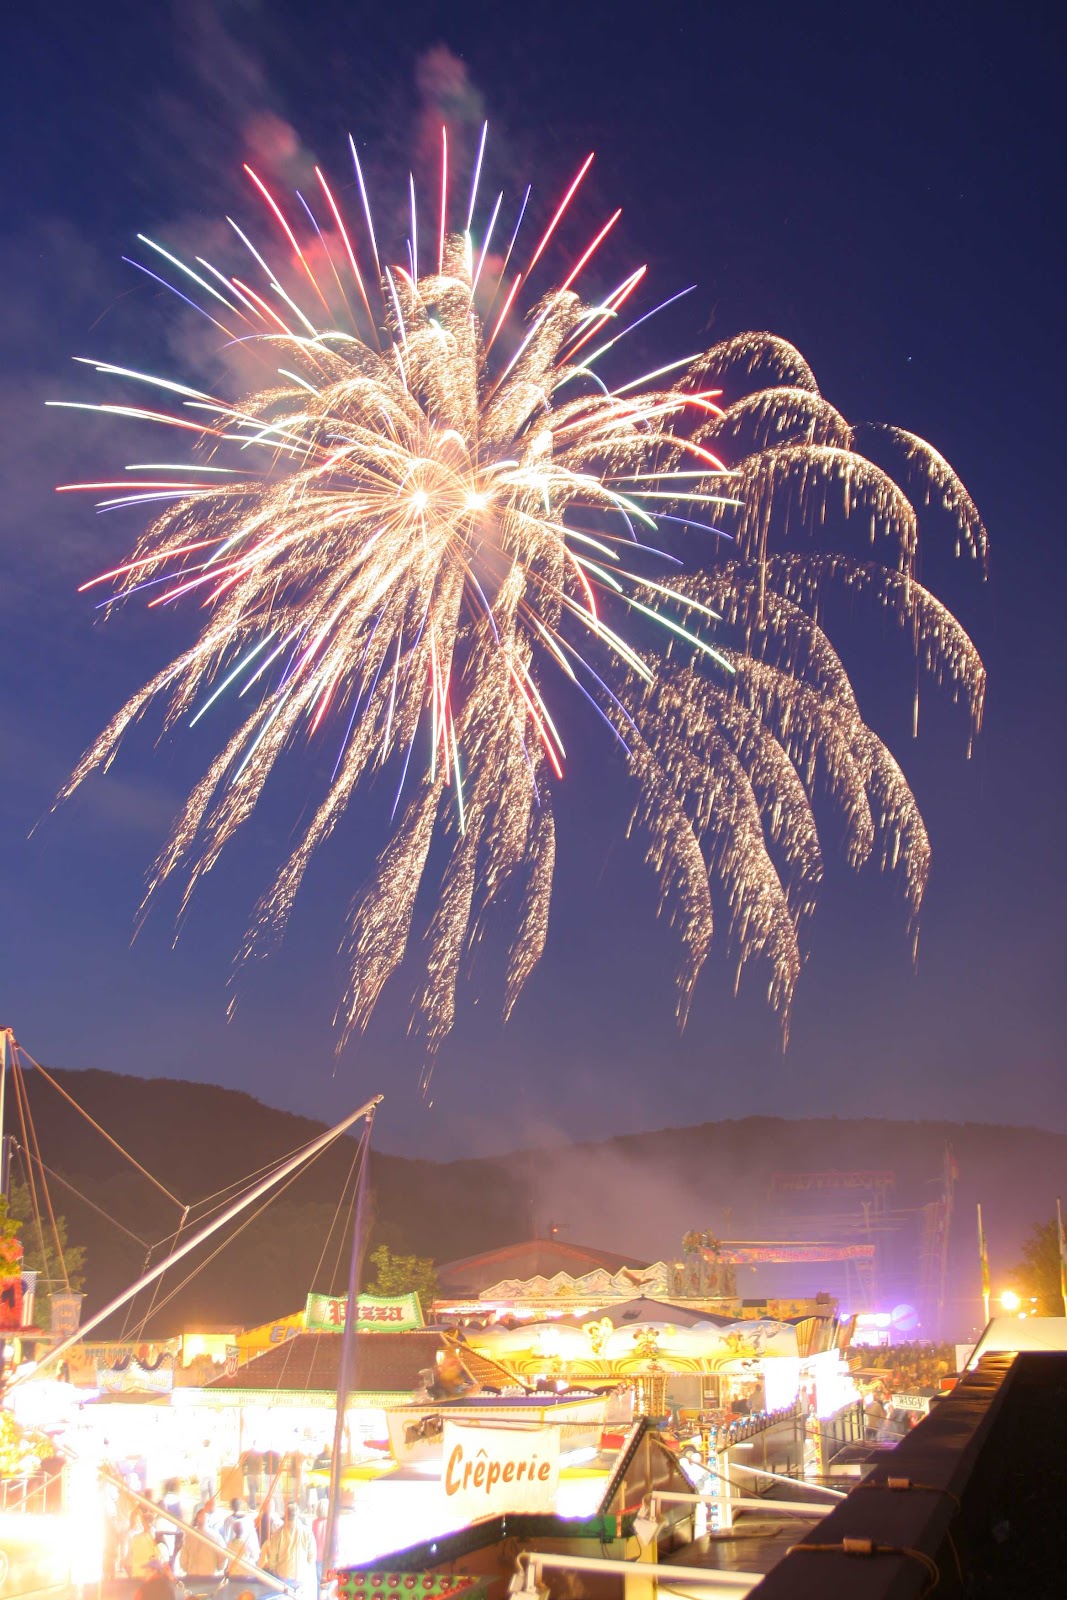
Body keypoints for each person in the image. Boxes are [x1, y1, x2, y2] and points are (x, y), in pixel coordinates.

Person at [260, 1501, 316, 1600]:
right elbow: (312, 1558)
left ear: (285, 1515)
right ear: (297, 1515)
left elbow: (273, 1557)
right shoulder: (307, 1532)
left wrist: (273, 1569)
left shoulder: (278, 1534)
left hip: (282, 1576)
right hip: (301, 1576)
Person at [179, 1506, 223, 1591]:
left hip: (193, 1577)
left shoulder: (188, 1535)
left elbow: (183, 1559)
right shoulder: (216, 1537)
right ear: (209, 1520)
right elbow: (222, 1558)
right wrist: (219, 1568)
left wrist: (186, 1568)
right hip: (210, 1577)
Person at [225, 1508, 261, 1584]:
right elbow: (255, 1556)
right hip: (247, 1574)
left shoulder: (229, 1544)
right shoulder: (248, 1542)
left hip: (233, 1574)